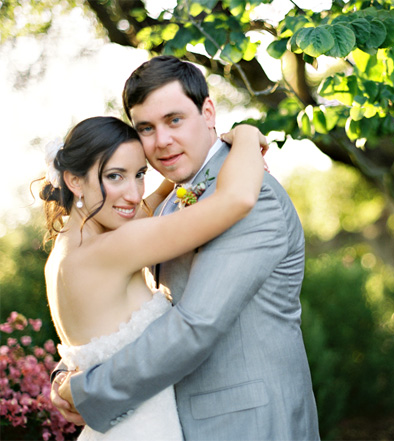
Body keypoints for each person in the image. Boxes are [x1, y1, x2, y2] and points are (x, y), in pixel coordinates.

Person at [52, 55, 320, 440]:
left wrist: (86, 389)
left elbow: (196, 325)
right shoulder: (167, 203)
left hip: (245, 426)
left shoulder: (251, 193)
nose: (161, 141)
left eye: (174, 120)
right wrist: (72, 369)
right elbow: (117, 312)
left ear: (208, 111)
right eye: (146, 127)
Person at [41, 115, 266, 440]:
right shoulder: (113, 248)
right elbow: (238, 199)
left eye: (140, 174)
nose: (133, 194)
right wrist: (247, 136)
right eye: (115, 176)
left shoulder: (67, 252)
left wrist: (167, 182)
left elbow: (142, 208)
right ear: (74, 180)